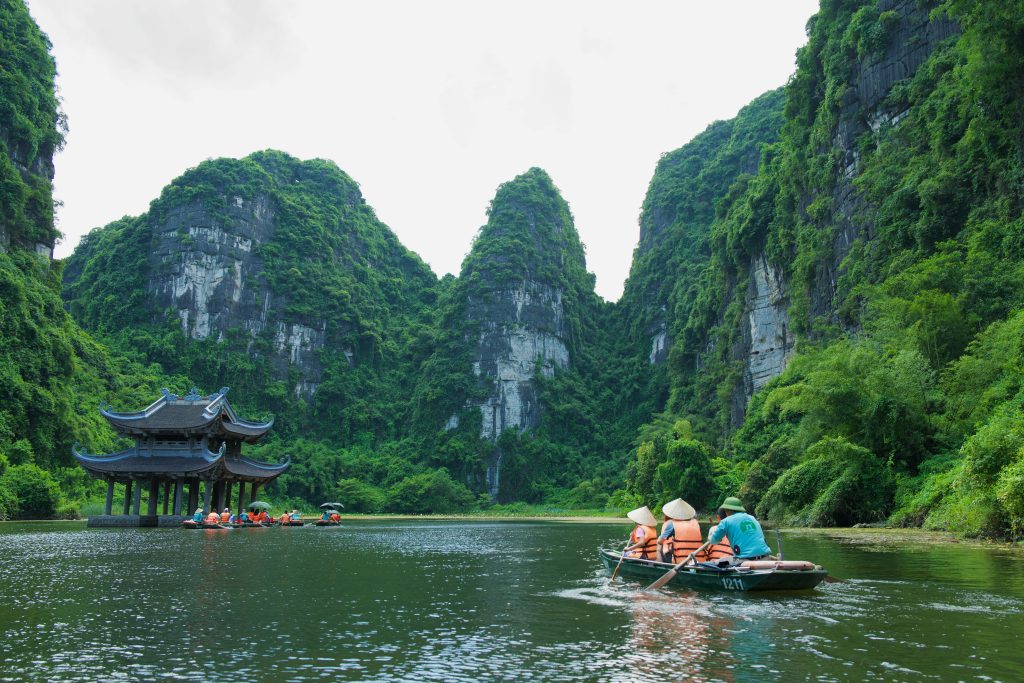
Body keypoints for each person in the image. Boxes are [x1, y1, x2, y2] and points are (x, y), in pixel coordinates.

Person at [706, 496, 771, 563]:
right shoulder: (752, 518)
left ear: (727, 510)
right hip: (766, 558)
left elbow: (714, 541)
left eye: (725, 510)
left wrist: (711, 536)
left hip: (745, 561)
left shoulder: (725, 521)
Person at [658, 498, 702, 564]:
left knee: (658, 544)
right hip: (698, 559)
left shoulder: (671, 524)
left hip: (681, 561)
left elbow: (660, 541)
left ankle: (658, 565)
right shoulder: (695, 522)